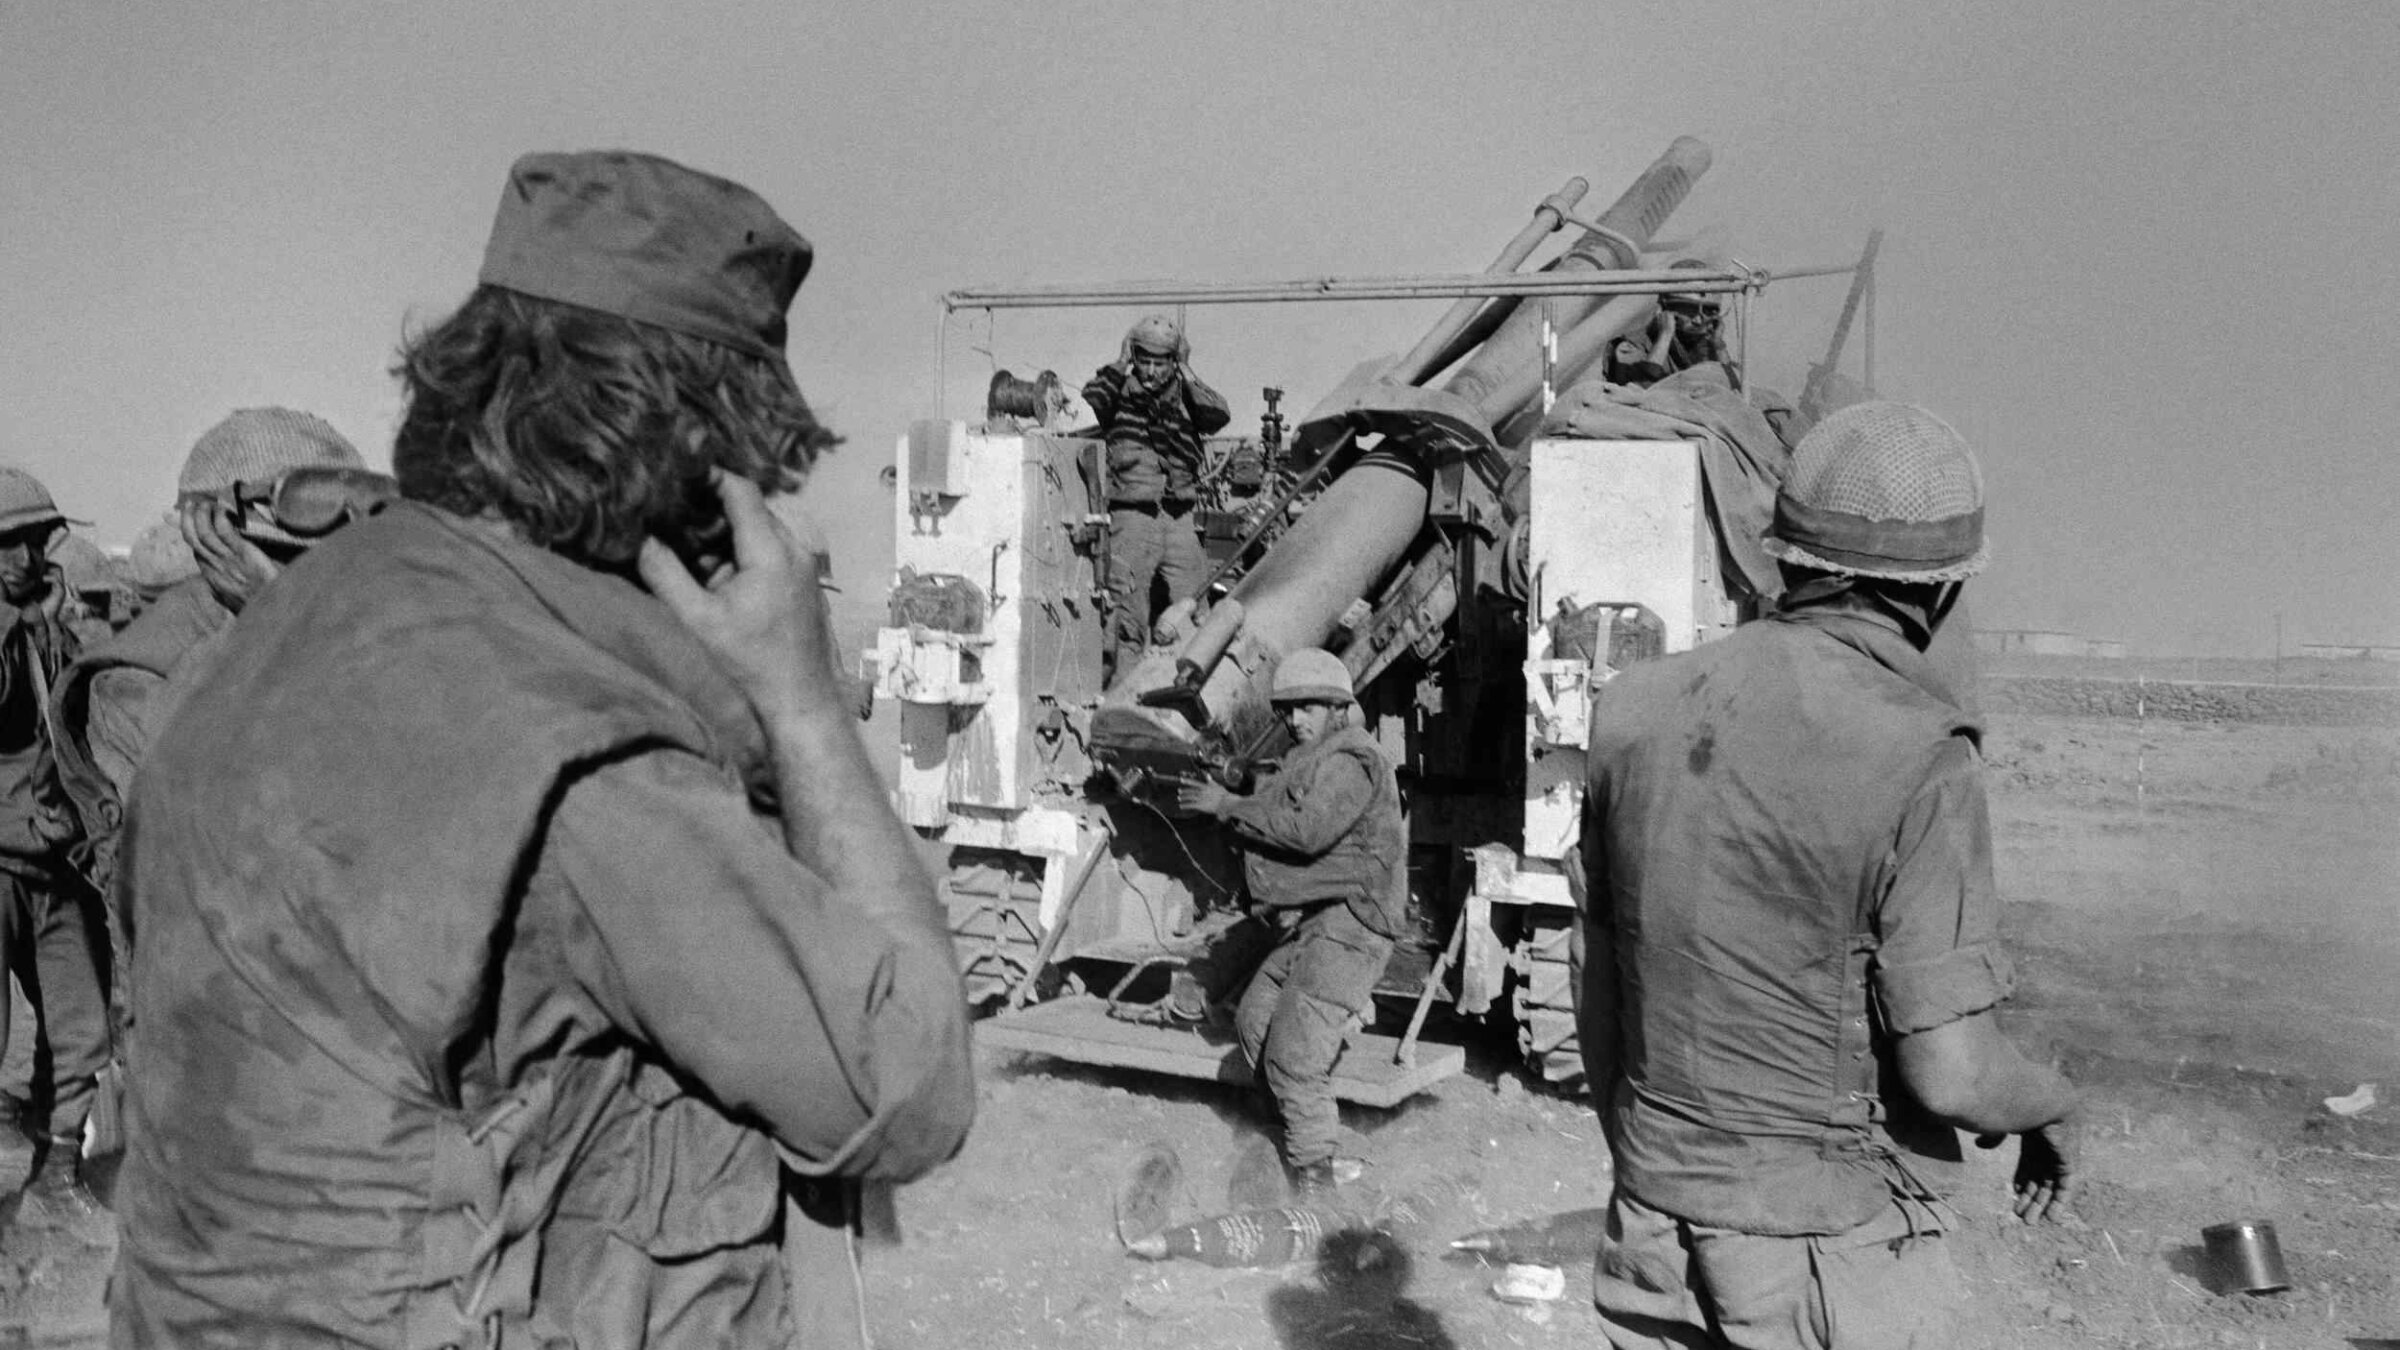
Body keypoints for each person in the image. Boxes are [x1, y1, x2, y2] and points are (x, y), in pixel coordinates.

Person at [110, 150, 976, 1348]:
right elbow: (911, 1091)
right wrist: (805, 701)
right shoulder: (585, 764)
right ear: (700, 461)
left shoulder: (279, 634)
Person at [1573, 401, 2083, 1349]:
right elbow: (1953, 1073)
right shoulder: (1923, 755)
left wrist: (1660, 1168)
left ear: (1788, 558)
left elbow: (1597, 987)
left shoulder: (1632, 710)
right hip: (1823, 1253)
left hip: (1649, 1230)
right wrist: (2054, 1102)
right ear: (1936, 595)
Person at [1176, 648, 1404, 1194]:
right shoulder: (1317, 754)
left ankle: (1316, 1183)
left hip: (1355, 925)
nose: (1296, 720)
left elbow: (1307, 829)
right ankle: (1291, 1137)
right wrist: (1234, 784)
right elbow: (1279, 792)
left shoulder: (1354, 760)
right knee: (1254, 1019)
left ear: (1337, 708)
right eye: (1290, 710)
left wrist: (1224, 807)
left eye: (1308, 709)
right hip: (1317, 920)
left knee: (1293, 1057)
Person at [0, 466, 110, 1244]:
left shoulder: (50, 618)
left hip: (53, 854)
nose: (30, 555)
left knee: (82, 1024)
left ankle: (59, 1173)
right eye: (13, 541)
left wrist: (52, 628)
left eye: (39, 539)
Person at [1083, 314, 1230, 657]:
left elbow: (1218, 415)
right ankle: (1120, 695)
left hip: (1178, 518)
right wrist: (1121, 362)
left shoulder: (1187, 397)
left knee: (1194, 610)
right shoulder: (1117, 391)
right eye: (1143, 361)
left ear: (1173, 362)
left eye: (1160, 364)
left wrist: (1187, 369)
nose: (1150, 372)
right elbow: (1095, 396)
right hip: (1132, 518)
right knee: (1126, 618)